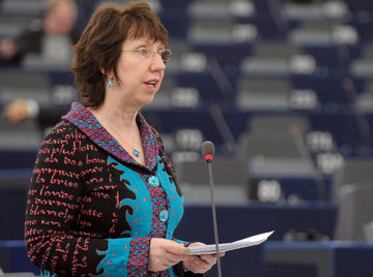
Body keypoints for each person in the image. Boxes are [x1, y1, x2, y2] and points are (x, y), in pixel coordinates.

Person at [24, 1, 223, 276]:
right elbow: (43, 245)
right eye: (143, 52)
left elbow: (151, 240)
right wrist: (140, 255)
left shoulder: (152, 139)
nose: (158, 65)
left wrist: (184, 255)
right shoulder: (66, 142)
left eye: (161, 54)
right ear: (106, 63)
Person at [0, 0, 78, 66]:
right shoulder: (30, 37)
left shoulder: (78, 39)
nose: (66, 23)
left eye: (70, 19)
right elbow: (16, 53)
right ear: (48, 15)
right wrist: (11, 52)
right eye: (62, 18)